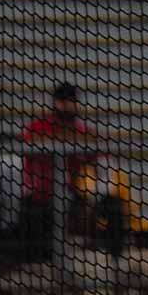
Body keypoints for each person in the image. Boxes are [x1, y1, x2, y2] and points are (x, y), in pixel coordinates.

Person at [19, 83, 103, 261]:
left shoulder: (83, 130)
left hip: (73, 193)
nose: (69, 106)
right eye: (64, 101)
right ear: (56, 103)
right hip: (40, 193)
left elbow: (99, 154)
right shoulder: (38, 127)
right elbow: (31, 144)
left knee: (101, 204)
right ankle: (39, 261)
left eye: (73, 101)